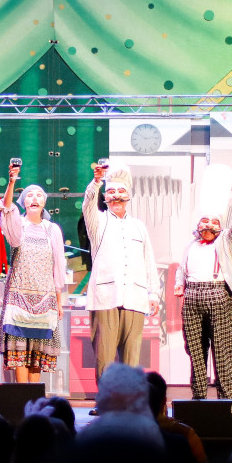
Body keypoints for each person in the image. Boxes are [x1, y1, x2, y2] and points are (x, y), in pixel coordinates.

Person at [81, 162, 158, 384]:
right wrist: (97, 181)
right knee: (104, 357)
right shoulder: (98, 221)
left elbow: (148, 260)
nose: (116, 196)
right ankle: (106, 398)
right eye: (111, 192)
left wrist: (153, 294)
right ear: (105, 197)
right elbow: (88, 204)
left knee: (131, 359)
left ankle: (129, 399)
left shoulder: (138, 226)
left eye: (121, 191)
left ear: (128, 196)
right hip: (106, 297)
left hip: (135, 297)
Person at [173, 187, 232, 400]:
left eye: (214, 222)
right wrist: (179, 284)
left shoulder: (224, 241)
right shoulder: (190, 245)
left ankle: (226, 399)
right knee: (195, 350)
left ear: (220, 227)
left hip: (217, 295)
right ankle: (198, 396)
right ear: (197, 225)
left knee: (221, 348)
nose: (209, 224)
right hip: (192, 297)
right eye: (205, 221)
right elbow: (181, 268)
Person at [0, 160, 67, 383]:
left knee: (37, 353)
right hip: (18, 298)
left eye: (39, 195)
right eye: (29, 195)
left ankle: (35, 399)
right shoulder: (17, 226)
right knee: (19, 353)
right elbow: (5, 209)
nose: (34, 198)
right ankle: (22, 397)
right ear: (23, 202)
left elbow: (58, 266)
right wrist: (12, 181)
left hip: (45, 298)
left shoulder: (52, 230)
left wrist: (59, 301)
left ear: (44, 202)